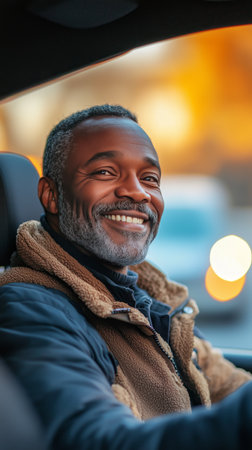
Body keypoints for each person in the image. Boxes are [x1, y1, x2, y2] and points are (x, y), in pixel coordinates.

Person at [0, 104, 251, 450]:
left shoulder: (150, 297)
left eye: (150, 178)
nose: (138, 192)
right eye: (105, 172)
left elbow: (231, 385)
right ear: (51, 196)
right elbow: (95, 440)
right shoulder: (32, 309)